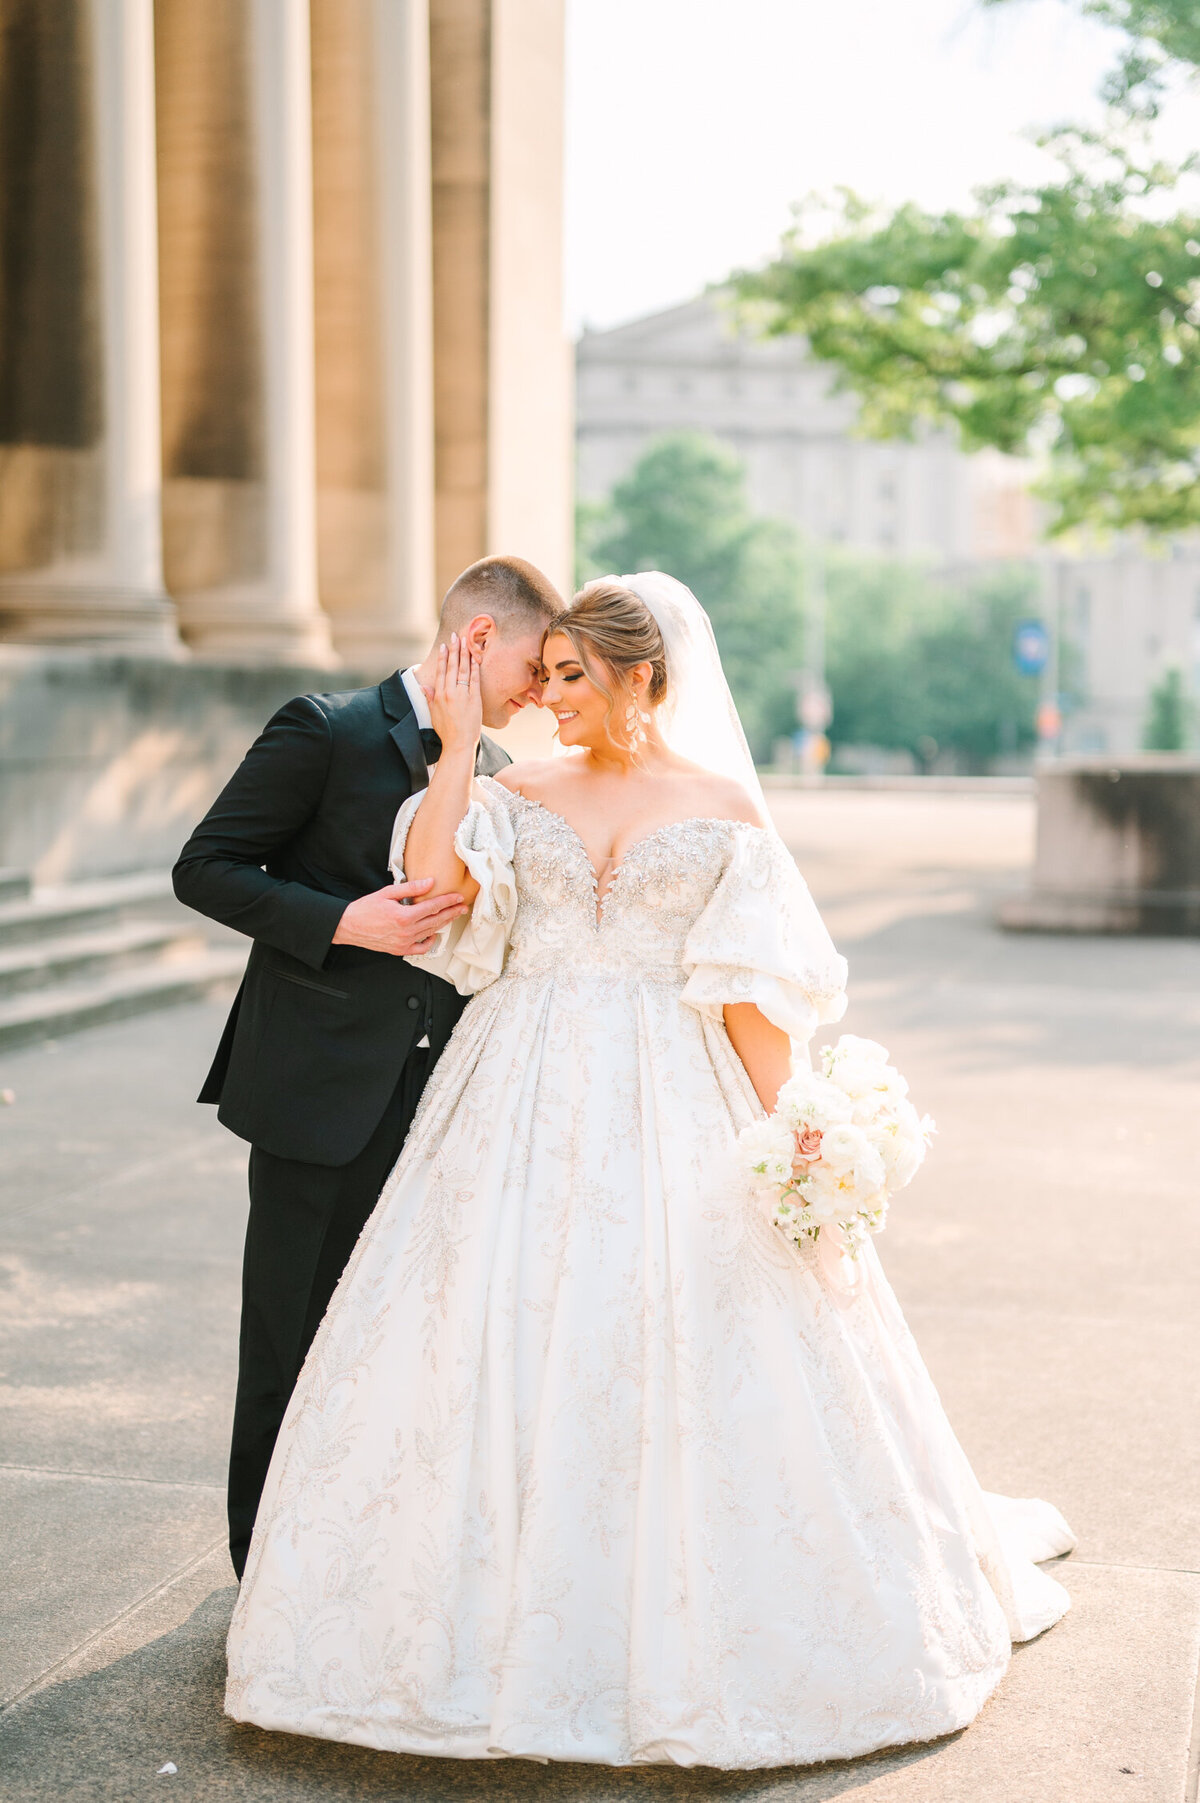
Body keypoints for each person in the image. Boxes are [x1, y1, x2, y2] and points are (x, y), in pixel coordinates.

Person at [224, 575, 1074, 1769]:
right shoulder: (511, 785)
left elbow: (743, 993)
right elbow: (437, 893)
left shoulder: (723, 804)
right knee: (485, 1334)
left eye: (573, 676)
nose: (549, 697)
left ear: (644, 677)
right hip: (511, 1089)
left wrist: (802, 1138)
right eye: (547, 672)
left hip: (675, 1093)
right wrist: (459, 752)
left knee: (685, 1343)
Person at [172, 553, 563, 1580]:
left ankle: (364, 1565)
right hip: (319, 1092)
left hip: (448, 1105)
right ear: (479, 641)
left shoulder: (497, 771)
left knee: (398, 1345)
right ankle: (262, 1570)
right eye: (534, 663)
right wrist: (340, 921)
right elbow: (206, 868)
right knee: (289, 1340)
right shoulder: (328, 729)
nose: (542, 688)